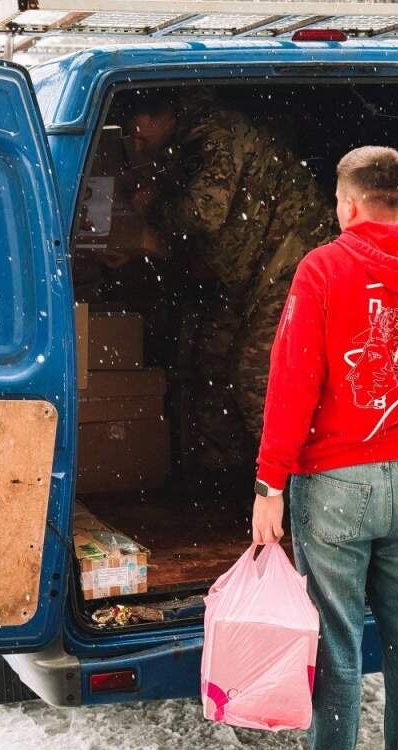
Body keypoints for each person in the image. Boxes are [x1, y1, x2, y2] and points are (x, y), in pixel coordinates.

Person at [251, 146, 398, 750]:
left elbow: (293, 384)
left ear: (349, 204)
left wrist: (269, 486)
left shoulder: (322, 270)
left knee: (336, 640)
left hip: (335, 482)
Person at [121, 89, 337, 480]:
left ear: (159, 116)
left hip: (293, 262)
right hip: (248, 270)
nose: (137, 146)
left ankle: (301, 484)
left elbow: (204, 213)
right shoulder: (181, 144)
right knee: (210, 365)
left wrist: (150, 206)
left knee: (254, 372)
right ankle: (226, 481)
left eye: (138, 135)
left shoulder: (214, 134)